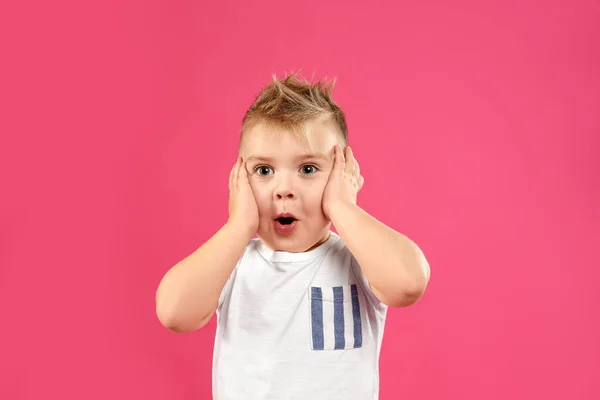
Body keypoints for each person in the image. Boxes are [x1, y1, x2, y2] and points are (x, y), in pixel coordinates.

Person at [155, 72, 431, 399]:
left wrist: (342, 207)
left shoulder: (358, 259)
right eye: (264, 171)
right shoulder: (232, 261)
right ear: (239, 180)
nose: (284, 190)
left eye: (308, 169)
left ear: (344, 173)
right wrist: (238, 226)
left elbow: (409, 283)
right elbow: (174, 312)